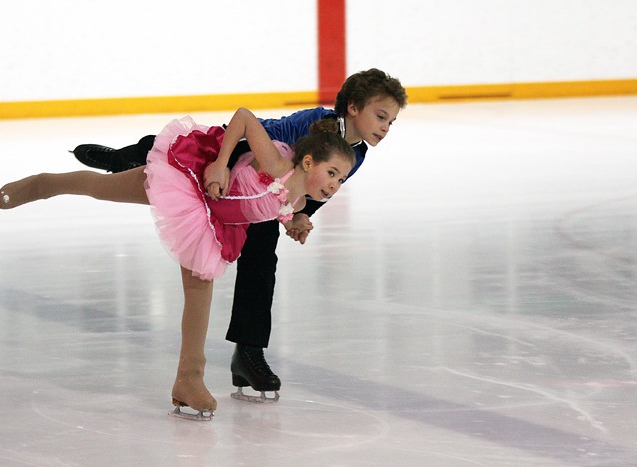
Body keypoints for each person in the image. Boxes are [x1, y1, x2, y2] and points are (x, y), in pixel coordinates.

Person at [0, 107, 356, 420]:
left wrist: (295, 222)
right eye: (331, 173)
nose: (335, 184)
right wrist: (219, 164)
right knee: (103, 188)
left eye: (341, 179)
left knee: (201, 284)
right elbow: (243, 118)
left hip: (215, 221)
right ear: (308, 161)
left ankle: (189, 380)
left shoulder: (296, 201)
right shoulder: (278, 163)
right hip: (190, 183)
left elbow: (272, 207)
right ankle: (42, 184)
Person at [71, 69, 408, 401]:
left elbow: (316, 191)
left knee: (262, 263)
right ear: (353, 107)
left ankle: (248, 353)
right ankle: (122, 158)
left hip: (266, 197)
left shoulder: (358, 153)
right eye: (381, 116)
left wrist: (300, 217)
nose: (385, 127)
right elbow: (250, 135)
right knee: (170, 158)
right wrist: (221, 166)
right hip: (236, 156)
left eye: (391, 121)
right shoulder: (314, 122)